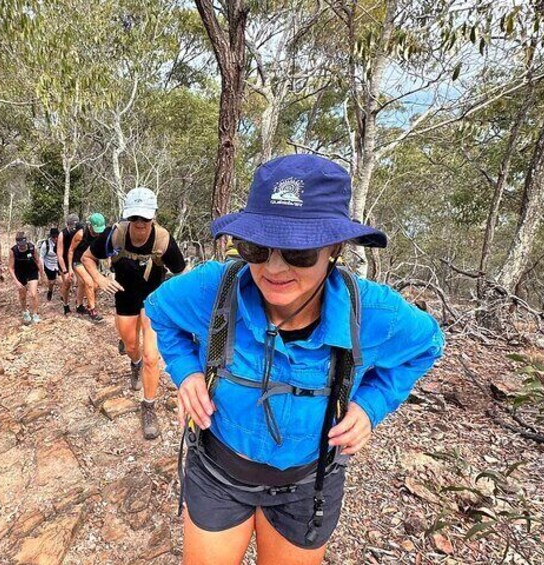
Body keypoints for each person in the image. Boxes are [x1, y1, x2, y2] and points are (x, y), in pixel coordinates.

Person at [145, 155, 444, 565]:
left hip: (308, 485)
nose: (273, 267)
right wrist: (187, 373)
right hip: (218, 473)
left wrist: (371, 406)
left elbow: (427, 347)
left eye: (298, 252)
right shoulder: (215, 288)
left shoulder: (374, 314)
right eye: (255, 247)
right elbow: (159, 311)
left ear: (335, 248)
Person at [82, 187, 186, 439]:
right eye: (135, 218)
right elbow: (87, 257)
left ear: (153, 217)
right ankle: (133, 362)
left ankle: (148, 405)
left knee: (152, 356)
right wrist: (98, 279)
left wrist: (173, 299)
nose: (140, 223)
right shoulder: (114, 235)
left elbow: (180, 271)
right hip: (125, 296)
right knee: (131, 345)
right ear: (128, 217)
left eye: (145, 218)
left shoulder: (163, 239)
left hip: (153, 299)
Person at [68, 213, 106, 322]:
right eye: (95, 230)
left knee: (93, 285)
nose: (96, 234)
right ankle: (92, 310)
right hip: (78, 261)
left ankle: (79, 306)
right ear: (89, 226)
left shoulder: (100, 235)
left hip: (90, 262)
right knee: (88, 282)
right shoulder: (80, 234)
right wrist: (70, 268)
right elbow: (71, 250)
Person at [9, 231, 43, 324]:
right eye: (20, 245)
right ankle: (25, 311)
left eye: (24, 244)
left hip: (32, 271)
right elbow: (11, 268)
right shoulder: (13, 251)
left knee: (33, 294)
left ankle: (35, 314)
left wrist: (41, 275)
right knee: (22, 295)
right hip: (20, 273)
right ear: (17, 243)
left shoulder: (32, 247)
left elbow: (38, 261)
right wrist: (16, 282)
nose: (23, 247)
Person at [57, 214, 86, 315]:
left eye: (75, 226)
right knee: (67, 283)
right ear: (67, 225)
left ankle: (79, 305)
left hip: (75, 258)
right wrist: (65, 271)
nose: (73, 228)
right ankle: (66, 305)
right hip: (64, 260)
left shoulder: (80, 231)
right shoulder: (63, 234)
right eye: (71, 226)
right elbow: (59, 255)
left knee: (82, 281)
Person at [40, 227, 60, 301]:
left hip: (59, 263)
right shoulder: (46, 244)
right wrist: (42, 269)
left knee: (62, 280)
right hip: (49, 264)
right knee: (52, 282)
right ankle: (50, 291)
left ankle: (63, 295)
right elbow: (41, 257)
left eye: (57, 236)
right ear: (51, 237)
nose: (55, 239)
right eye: (54, 237)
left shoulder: (61, 242)